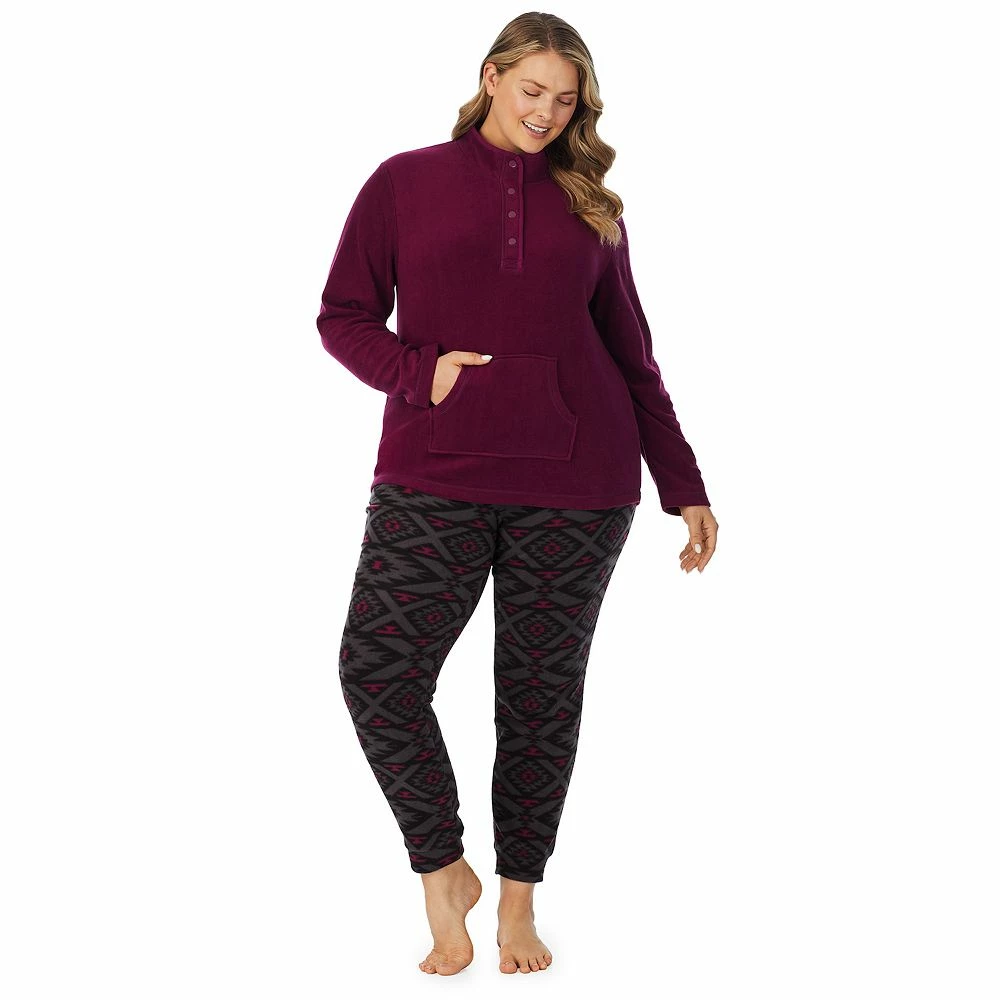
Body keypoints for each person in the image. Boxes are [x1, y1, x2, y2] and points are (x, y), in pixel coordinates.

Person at [314, 11, 719, 977]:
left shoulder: (593, 206)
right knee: (377, 671)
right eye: (533, 90)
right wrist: (422, 373)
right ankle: (442, 869)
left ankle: (518, 902)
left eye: (566, 100)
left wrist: (683, 482)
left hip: (580, 481)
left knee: (538, 696)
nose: (547, 112)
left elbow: (631, 353)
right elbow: (342, 315)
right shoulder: (404, 181)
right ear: (491, 76)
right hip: (434, 469)